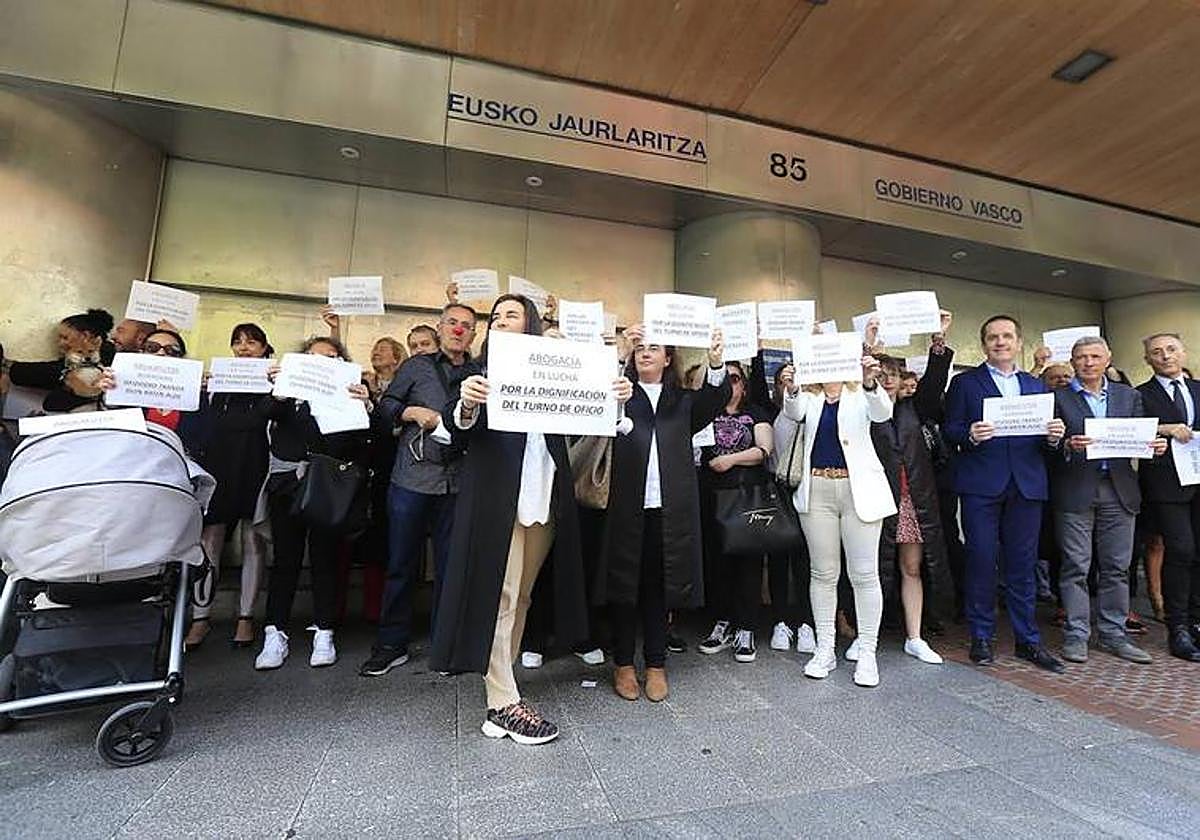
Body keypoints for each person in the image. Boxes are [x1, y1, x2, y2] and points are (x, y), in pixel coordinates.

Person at [431, 294, 628, 745]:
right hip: (498, 501)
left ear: (531, 325)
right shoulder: (477, 375)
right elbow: (453, 432)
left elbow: (588, 422)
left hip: (545, 497)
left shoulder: (555, 369)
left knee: (521, 596)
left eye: (511, 315)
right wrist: (467, 406)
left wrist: (613, 395)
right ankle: (501, 703)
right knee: (500, 593)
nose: (500, 321)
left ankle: (504, 677)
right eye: (495, 316)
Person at [598, 323, 727, 701]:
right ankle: (623, 664)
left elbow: (714, 401)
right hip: (626, 506)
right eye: (640, 349)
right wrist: (620, 356)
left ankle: (655, 665)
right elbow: (597, 407)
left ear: (668, 358)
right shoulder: (621, 389)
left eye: (654, 348)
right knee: (625, 587)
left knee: (656, 587)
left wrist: (715, 361)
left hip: (667, 509)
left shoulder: (682, 401)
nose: (645, 353)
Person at [360, 302, 479, 676]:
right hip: (411, 478)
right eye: (453, 323)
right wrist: (412, 413)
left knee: (451, 567)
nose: (459, 330)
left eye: (467, 325)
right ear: (440, 327)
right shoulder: (415, 366)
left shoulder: (481, 374)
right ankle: (391, 644)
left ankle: (446, 646)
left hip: (458, 482)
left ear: (474, 335)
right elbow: (385, 412)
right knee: (401, 564)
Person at [943, 315, 1066, 672]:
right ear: (984, 345)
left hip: (1026, 484)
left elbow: (1048, 442)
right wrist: (969, 433)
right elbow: (949, 428)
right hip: (981, 484)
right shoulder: (965, 383)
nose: (1000, 342)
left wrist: (1054, 437)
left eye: (1007, 336)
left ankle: (1028, 640)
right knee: (981, 560)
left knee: (1023, 566)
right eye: (993, 337)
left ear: (1019, 342)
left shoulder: (1037, 386)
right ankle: (981, 636)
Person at [254, 336, 372, 671]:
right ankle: (274, 632)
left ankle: (324, 630)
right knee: (285, 560)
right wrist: (281, 388)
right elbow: (265, 412)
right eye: (315, 357)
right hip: (287, 485)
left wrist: (366, 405)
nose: (324, 363)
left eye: (332, 357)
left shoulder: (347, 394)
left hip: (326, 488)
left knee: (324, 559)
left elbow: (363, 441)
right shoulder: (289, 394)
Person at [779, 351, 895, 687]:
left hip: (859, 491)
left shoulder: (862, 393)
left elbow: (882, 413)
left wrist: (870, 380)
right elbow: (793, 411)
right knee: (823, 572)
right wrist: (792, 386)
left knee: (864, 574)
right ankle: (825, 648)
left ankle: (868, 652)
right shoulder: (810, 396)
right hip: (817, 490)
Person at [1051, 336, 1163, 665]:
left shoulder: (1129, 396)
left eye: (1095, 356)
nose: (1088, 362)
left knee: (1117, 567)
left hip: (1120, 490)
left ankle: (1114, 635)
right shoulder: (1056, 398)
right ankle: (1076, 634)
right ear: (1072, 362)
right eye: (1081, 357)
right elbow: (1046, 446)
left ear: (1108, 358)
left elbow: (1140, 440)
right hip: (1075, 488)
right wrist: (1066, 445)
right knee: (1075, 567)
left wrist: (1154, 448)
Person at [869, 309, 954, 666]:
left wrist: (938, 341)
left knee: (912, 568)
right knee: (867, 570)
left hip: (912, 501)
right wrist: (868, 347)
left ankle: (915, 637)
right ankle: (865, 635)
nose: (887, 380)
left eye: (892, 374)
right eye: (880, 374)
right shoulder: (862, 408)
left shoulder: (913, 408)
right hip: (872, 501)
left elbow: (934, 383)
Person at [187, 323, 274, 650]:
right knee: (210, 541)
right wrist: (202, 388)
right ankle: (201, 618)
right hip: (219, 466)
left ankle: (246, 617)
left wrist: (275, 387)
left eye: (251, 342)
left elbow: (270, 416)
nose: (243, 348)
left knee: (254, 540)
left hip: (255, 465)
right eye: (237, 342)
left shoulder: (272, 383)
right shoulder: (217, 382)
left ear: (265, 348)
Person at [696, 360, 774, 663]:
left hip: (746, 496)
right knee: (718, 562)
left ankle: (746, 627)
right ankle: (723, 622)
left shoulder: (755, 412)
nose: (731, 384)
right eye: (725, 378)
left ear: (744, 384)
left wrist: (731, 460)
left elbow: (763, 449)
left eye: (736, 378)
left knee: (748, 563)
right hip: (712, 496)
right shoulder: (707, 413)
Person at [1136, 333, 1200, 662]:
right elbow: (1129, 430)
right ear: (1148, 359)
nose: (1165, 356)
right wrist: (1164, 428)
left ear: (1183, 352)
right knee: (1181, 550)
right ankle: (1178, 628)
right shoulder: (1140, 395)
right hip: (1167, 486)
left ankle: (1196, 620)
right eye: (1156, 352)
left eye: (1171, 349)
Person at [5, 308, 115, 412]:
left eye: (65, 337)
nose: (61, 343)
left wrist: (10, 367)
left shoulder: (104, 359)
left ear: (85, 336)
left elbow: (51, 375)